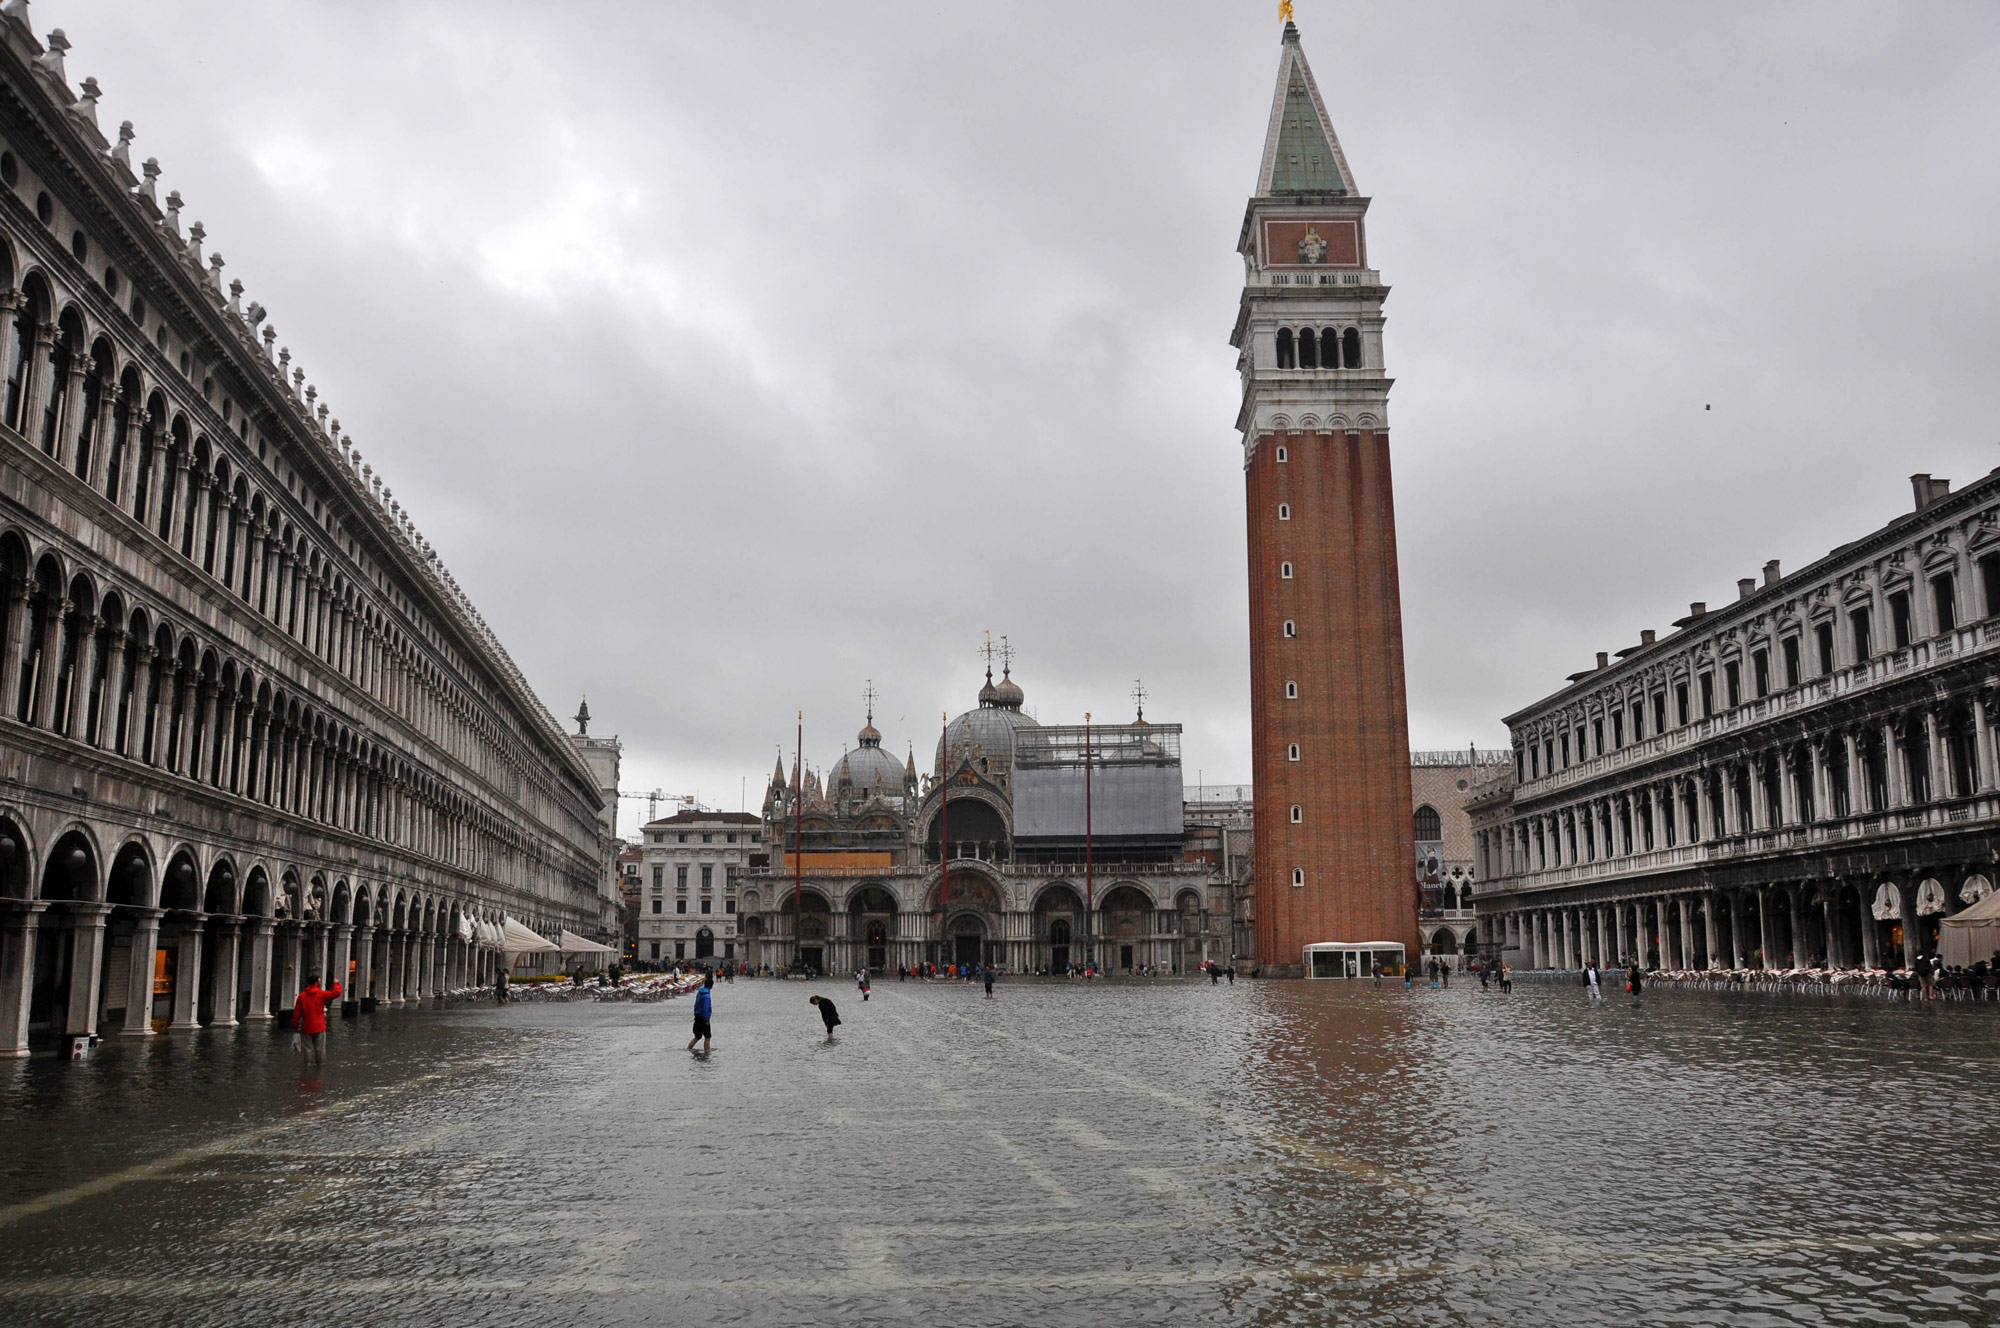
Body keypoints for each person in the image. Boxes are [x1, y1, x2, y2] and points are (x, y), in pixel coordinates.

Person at [292, 973, 342, 1069]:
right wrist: (336, 983)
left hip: (306, 1026)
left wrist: (295, 1026)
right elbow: (336, 993)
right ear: (316, 982)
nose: (320, 982)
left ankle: (308, 1065)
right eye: (319, 981)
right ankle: (321, 1066)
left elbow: (297, 1013)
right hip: (319, 1026)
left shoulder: (302, 996)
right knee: (320, 1048)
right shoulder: (321, 994)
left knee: (308, 1048)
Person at [687, 975, 714, 1053]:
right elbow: (706, 1008)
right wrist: (706, 1020)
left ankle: (689, 1049)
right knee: (707, 1037)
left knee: (697, 1036)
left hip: (697, 1016)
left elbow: (696, 1004)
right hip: (703, 1017)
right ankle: (707, 1053)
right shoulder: (707, 995)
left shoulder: (700, 992)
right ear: (711, 986)